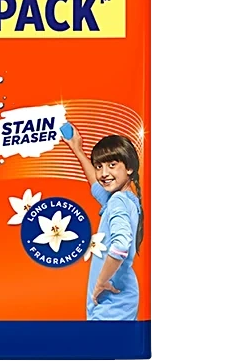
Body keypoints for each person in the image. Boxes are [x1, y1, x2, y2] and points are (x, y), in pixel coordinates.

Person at [63, 125, 144, 321]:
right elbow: (97, 186)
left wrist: (101, 282)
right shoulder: (127, 199)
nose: (103, 173)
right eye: (99, 166)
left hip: (110, 304)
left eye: (112, 165)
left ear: (129, 167)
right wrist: (77, 149)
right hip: (120, 300)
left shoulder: (118, 202)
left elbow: (121, 246)